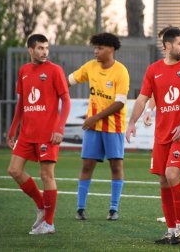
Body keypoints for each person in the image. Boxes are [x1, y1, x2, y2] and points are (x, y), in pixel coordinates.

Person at [126, 27, 180, 244]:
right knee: (162, 180)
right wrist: (132, 123)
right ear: (167, 46)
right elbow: (142, 99)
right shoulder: (153, 70)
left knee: (171, 175)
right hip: (162, 134)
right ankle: (170, 229)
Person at [7, 34, 71, 234]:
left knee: (46, 175)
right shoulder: (24, 71)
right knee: (14, 170)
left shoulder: (55, 70)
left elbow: (66, 101)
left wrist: (59, 129)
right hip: (26, 133)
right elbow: (22, 104)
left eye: (46, 48)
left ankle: (49, 223)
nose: (44, 52)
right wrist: (12, 128)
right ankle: (42, 205)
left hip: (47, 134)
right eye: (40, 48)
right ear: (30, 50)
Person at [67, 33, 130, 221]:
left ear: (111, 49)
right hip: (93, 127)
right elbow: (67, 81)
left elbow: (120, 103)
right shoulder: (90, 66)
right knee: (87, 165)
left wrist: (94, 118)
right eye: (95, 48)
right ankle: (80, 208)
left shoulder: (121, 71)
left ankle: (113, 209)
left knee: (116, 166)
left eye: (100, 48)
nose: (96, 51)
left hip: (114, 127)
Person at [145, 26, 180, 223]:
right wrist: (149, 110)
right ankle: (175, 218)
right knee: (168, 175)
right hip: (166, 128)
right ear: (167, 45)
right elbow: (159, 92)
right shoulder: (157, 68)